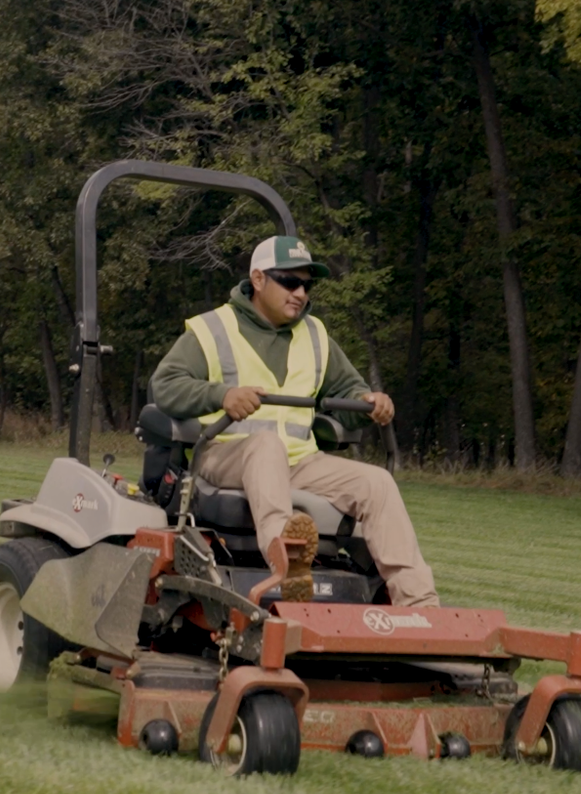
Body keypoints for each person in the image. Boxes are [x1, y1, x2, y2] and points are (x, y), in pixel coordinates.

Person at [148, 234, 440, 607]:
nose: (300, 293)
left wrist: (368, 402)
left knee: (377, 483)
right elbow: (165, 385)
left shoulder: (315, 335)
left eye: (306, 284)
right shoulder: (213, 329)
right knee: (266, 445)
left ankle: (420, 606)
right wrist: (222, 395)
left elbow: (349, 388)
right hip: (225, 454)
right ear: (258, 279)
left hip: (299, 461)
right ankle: (286, 562)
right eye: (289, 281)